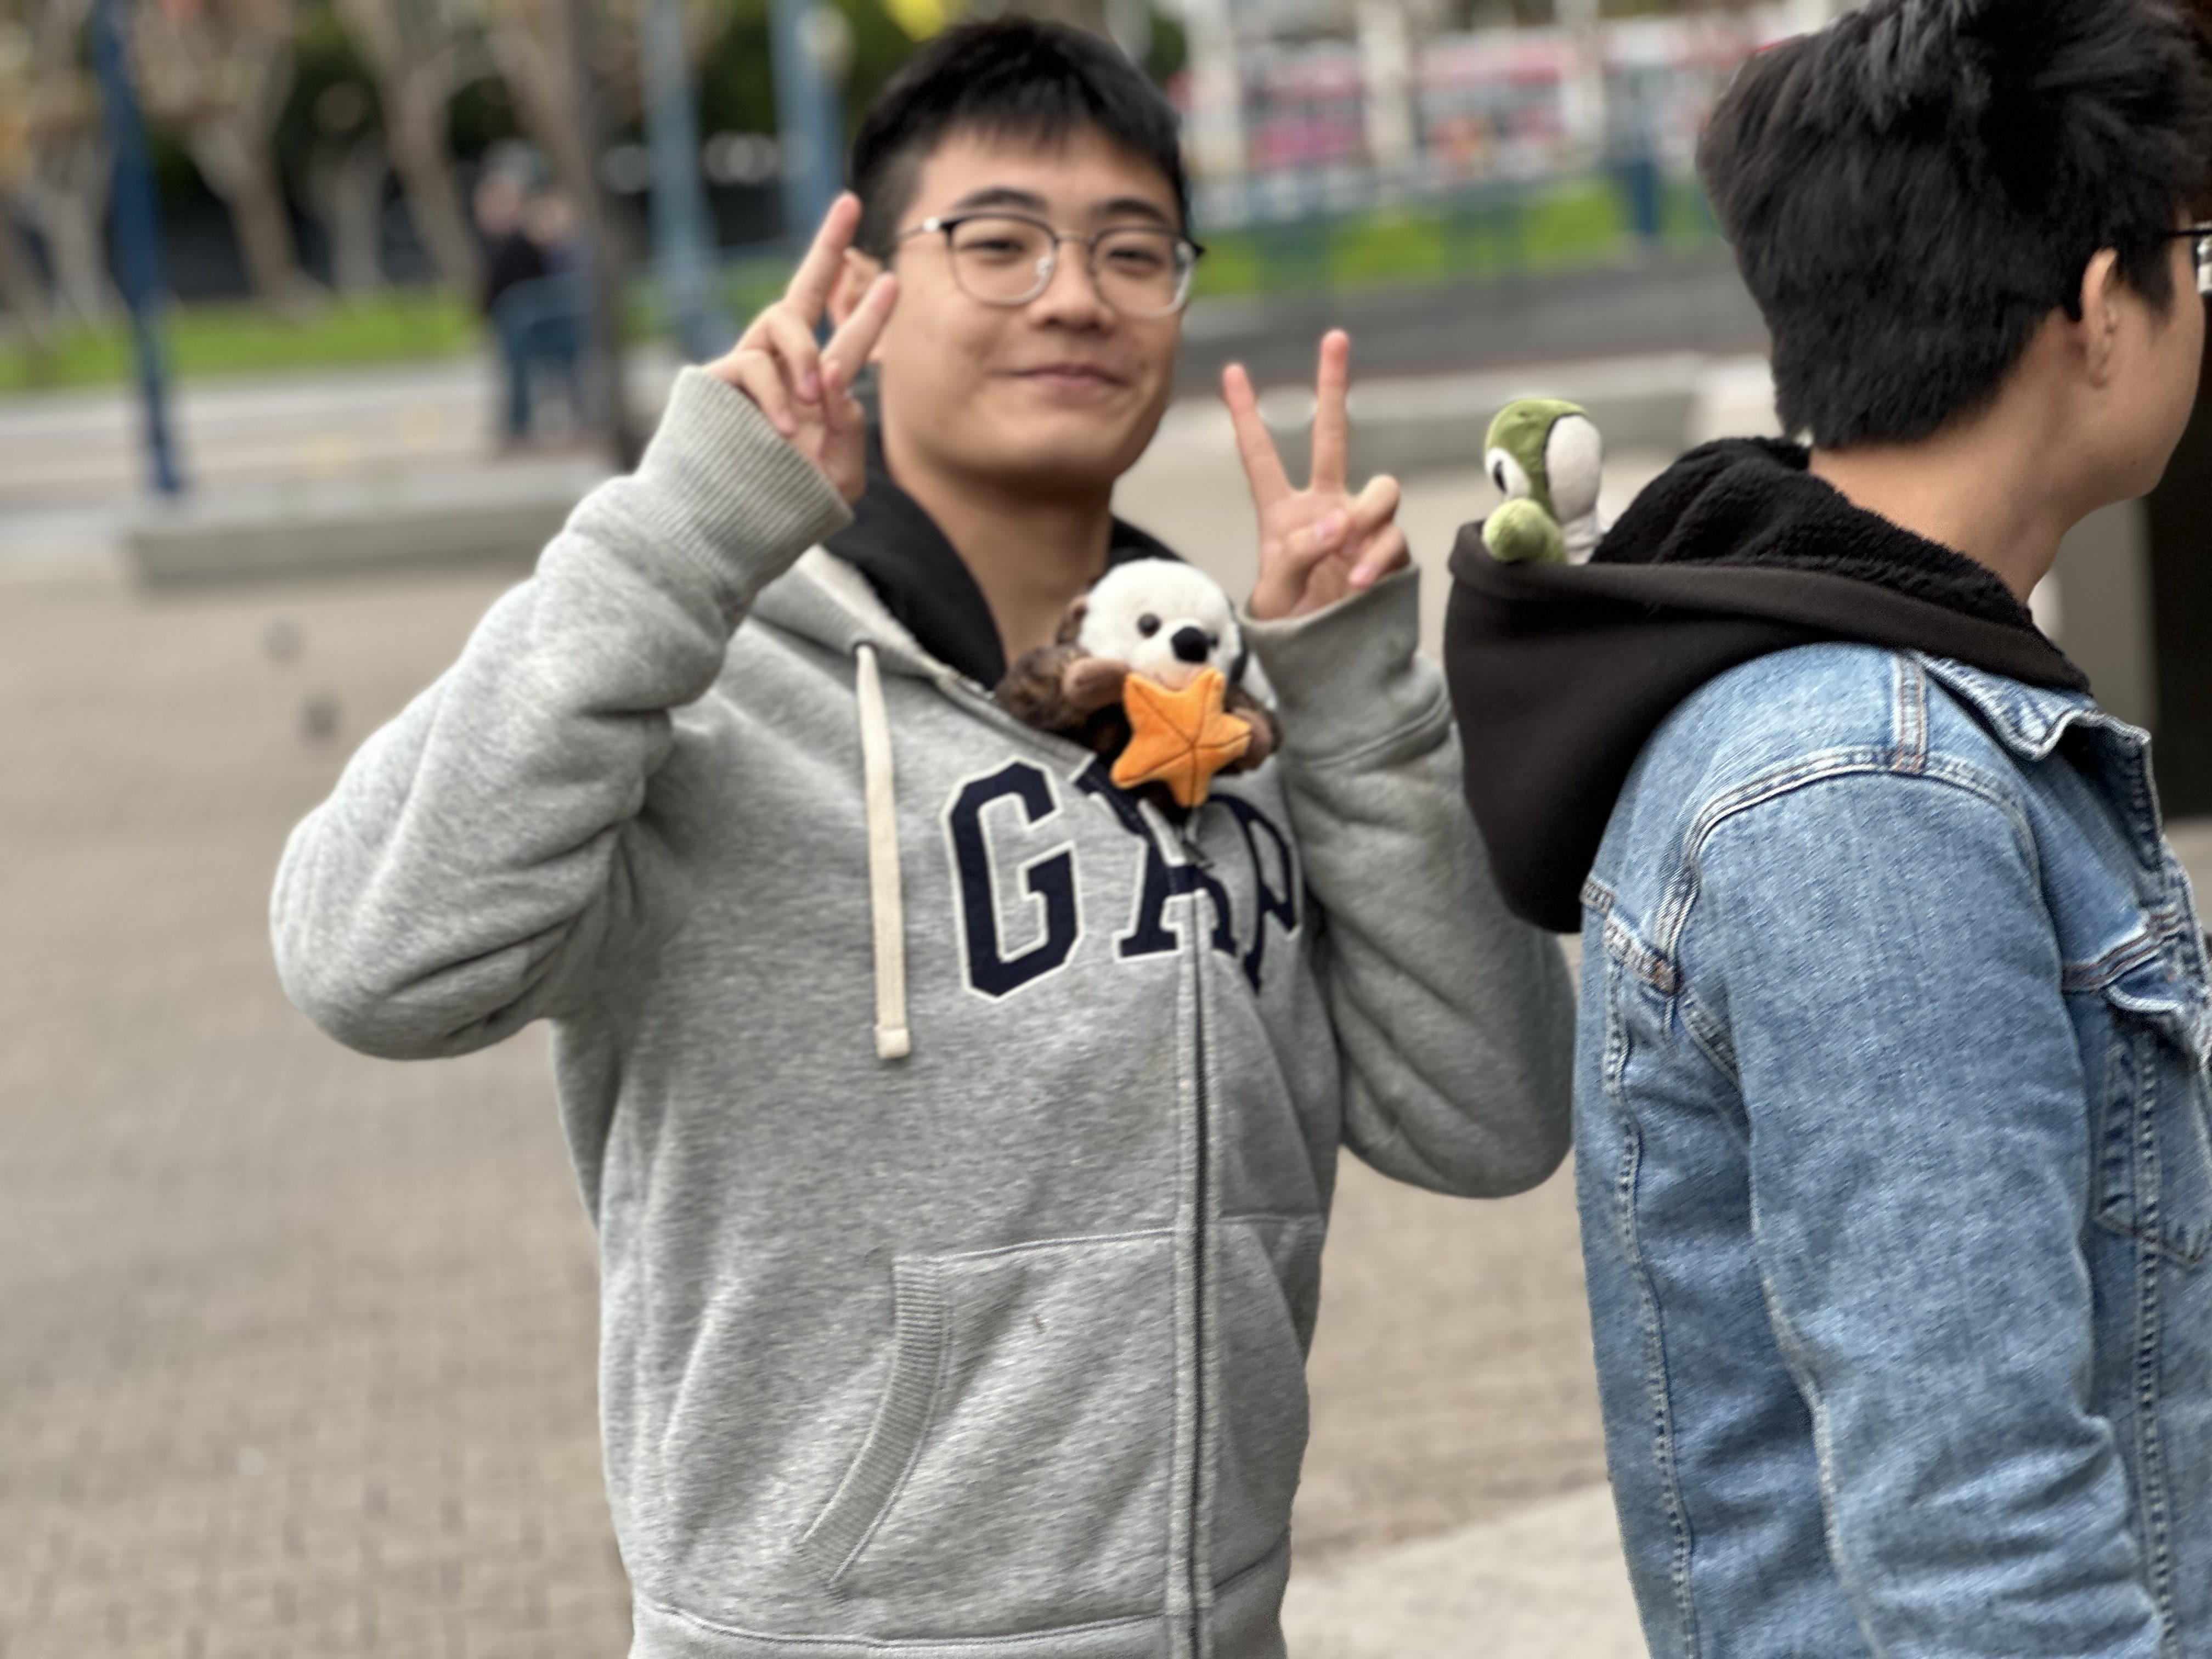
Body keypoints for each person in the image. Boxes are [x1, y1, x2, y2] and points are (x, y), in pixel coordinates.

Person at [272, 19, 1573, 1658]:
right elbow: (366, 961)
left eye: (1133, 250)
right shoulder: (698, 686)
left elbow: (1493, 1119)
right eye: (999, 242)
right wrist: (683, 532)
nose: (1075, 295)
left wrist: (1359, 699)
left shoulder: (1234, 715)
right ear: (869, 294)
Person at [1444, 0, 2212, 1652]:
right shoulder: (1872, 789)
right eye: (2195, 255)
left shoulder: (1868, 711)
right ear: (2100, 305)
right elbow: (1982, 1546)